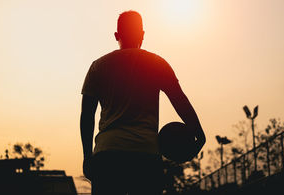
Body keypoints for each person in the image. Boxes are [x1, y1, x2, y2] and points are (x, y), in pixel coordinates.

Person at [80, 10, 205, 195]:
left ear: (116, 36)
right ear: (143, 35)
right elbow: (180, 101)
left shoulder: (99, 66)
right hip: (145, 153)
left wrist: (87, 155)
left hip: (108, 154)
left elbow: (87, 115)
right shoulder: (157, 63)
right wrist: (199, 135)